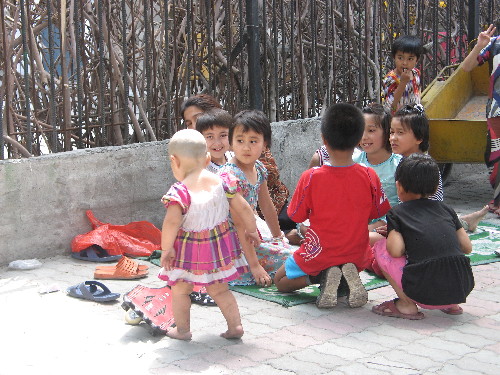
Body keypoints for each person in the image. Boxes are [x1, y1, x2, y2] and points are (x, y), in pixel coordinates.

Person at [273, 103, 391, 309]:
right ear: (358, 141)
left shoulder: (311, 177)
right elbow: (378, 211)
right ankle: (343, 275)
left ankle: (321, 277)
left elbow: (295, 215)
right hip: (357, 253)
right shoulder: (369, 175)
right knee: (345, 264)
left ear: (324, 139)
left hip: (320, 252)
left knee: (280, 281)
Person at [158, 129, 260, 340]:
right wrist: (252, 230)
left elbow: (171, 224)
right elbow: (243, 207)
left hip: (187, 253)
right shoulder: (223, 181)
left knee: (180, 290)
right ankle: (235, 327)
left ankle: (183, 330)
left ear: (174, 161)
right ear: (206, 159)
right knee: (220, 290)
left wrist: (166, 249)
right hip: (218, 248)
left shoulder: (179, 193)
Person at [371, 154, 474, 320]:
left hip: (423, 291)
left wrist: (391, 233)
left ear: (399, 187)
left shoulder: (397, 213)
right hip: (461, 287)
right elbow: (467, 247)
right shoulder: (447, 210)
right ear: (435, 189)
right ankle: (450, 304)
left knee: (380, 247)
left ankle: (406, 305)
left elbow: (395, 251)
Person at [388, 104, 488, 232]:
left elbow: (429, 208)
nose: (393, 138)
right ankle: (464, 221)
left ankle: (463, 222)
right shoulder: (404, 161)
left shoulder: (422, 166)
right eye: (391, 132)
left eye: (400, 133)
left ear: (419, 138)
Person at [219, 109, 292, 285]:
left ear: (265, 144)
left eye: (253, 141)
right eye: (240, 141)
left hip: (250, 234)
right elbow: (239, 223)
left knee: (288, 253)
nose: (246, 147)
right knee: (292, 260)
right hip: (230, 242)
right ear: (230, 143)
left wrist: (278, 238)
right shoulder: (230, 176)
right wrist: (254, 266)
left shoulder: (258, 168)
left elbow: (267, 206)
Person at [461, 24, 500, 215]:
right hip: (497, 109)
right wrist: (479, 45)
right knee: (497, 156)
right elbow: (466, 67)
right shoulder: (493, 44)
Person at [354, 104, 402, 246]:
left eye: (371, 130)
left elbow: (405, 205)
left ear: (387, 132)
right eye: (360, 130)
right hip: (359, 221)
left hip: (386, 224)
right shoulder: (353, 162)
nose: (364, 137)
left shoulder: (399, 165)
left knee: (362, 238)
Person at [382, 35, 424, 114]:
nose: (404, 63)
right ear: (394, 57)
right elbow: (391, 105)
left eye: (410, 59)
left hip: (414, 118)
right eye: (400, 58)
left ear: (417, 60)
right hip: (397, 121)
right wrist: (403, 83)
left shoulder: (416, 73)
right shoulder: (390, 78)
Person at [196, 108, 234, 174]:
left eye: (223, 135)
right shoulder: (200, 169)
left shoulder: (236, 158)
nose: (217, 143)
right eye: (210, 137)